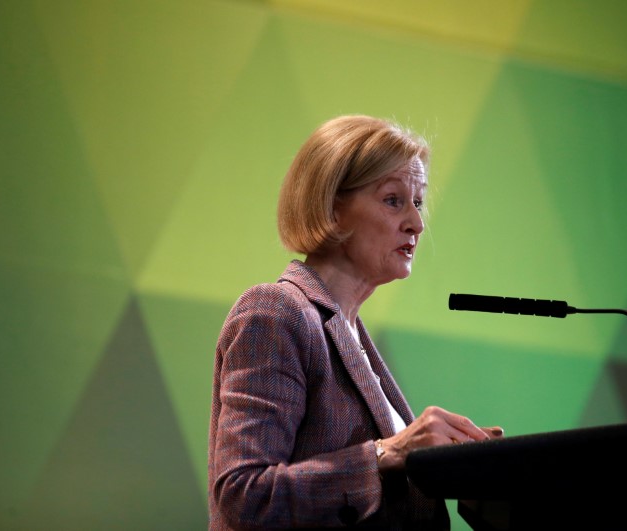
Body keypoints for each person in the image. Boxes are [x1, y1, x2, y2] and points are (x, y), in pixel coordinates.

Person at [208, 115, 503, 530]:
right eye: (392, 200)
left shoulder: (353, 338)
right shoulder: (275, 312)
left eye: (417, 202)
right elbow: (246, 497)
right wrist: (387, 454)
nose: (417, 224)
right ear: (332, 208)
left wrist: (461, 469)